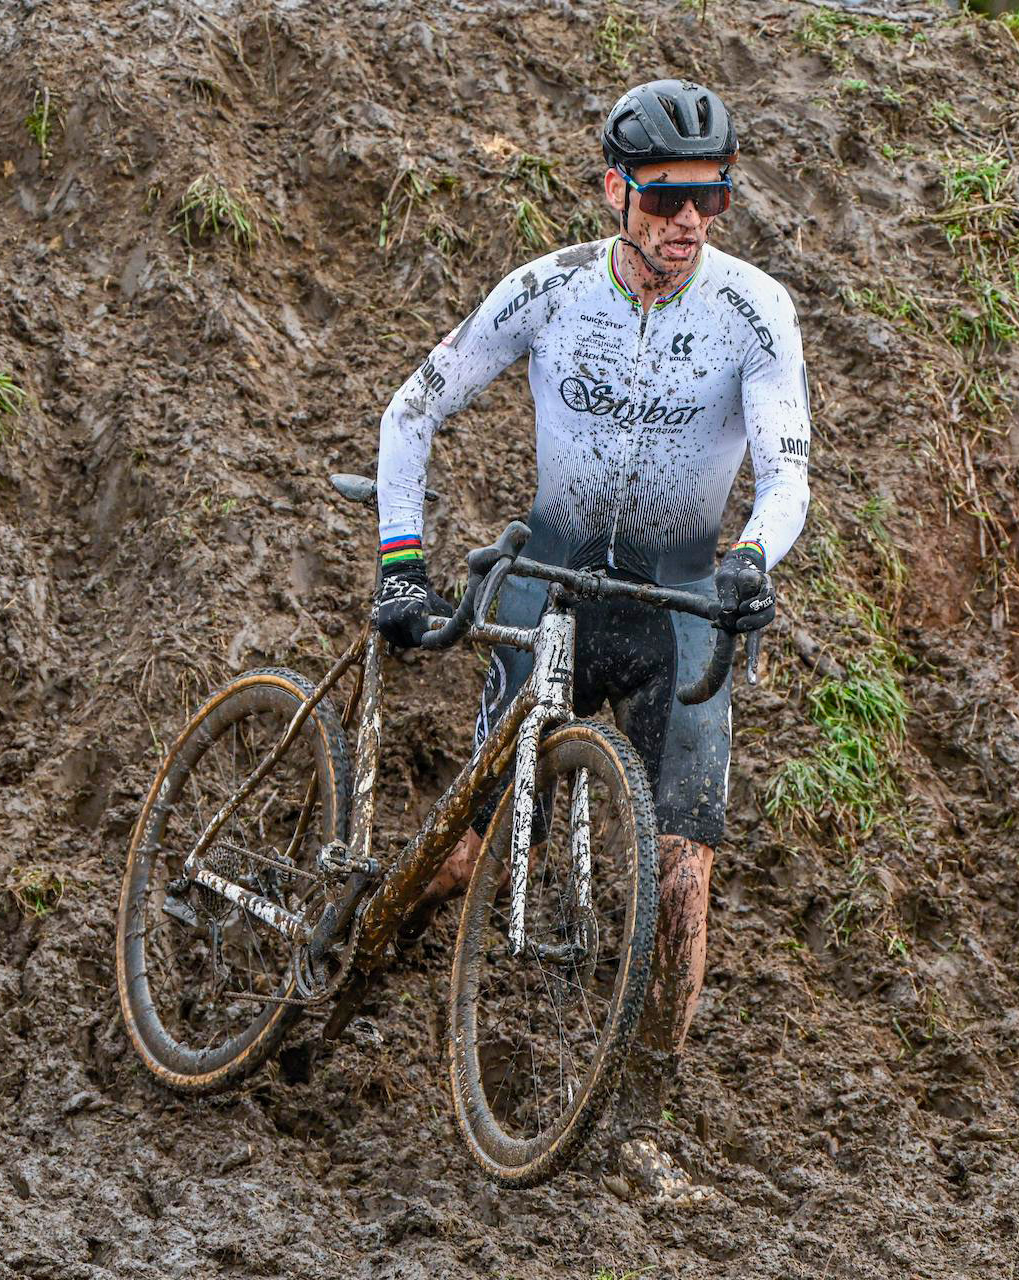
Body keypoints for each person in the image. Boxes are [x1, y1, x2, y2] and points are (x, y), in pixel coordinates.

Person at [372, 78, 812, 1202]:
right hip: (550, 589)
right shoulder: (550, 290)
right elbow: (411, 408)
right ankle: (370, 952)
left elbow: (788, 467)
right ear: (614, 186)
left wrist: (754, 557)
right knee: (466, 856)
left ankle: (643, 1117)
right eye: (667, 197)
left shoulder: (753, 308)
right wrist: (401, 559)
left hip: (678, 607)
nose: (691, 222)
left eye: (711, 197)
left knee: (683, 867)